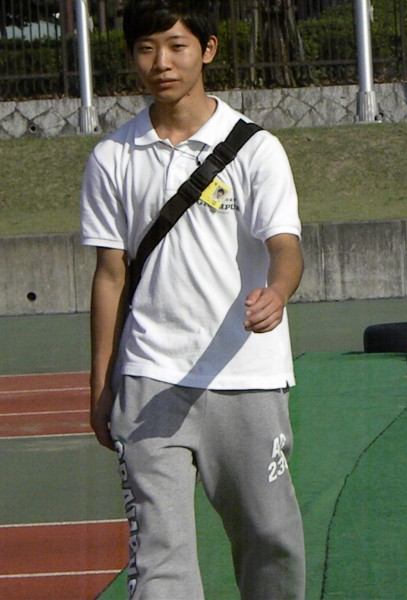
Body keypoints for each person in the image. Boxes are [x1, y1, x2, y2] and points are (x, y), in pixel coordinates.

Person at [80, 1, 306, 598]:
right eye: (146, 48)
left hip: (247, 376)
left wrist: (278, 291)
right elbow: (110, 276)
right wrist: (102, 383)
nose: (161, 62)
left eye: (177, 46)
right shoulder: (112, 157)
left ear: (207, 50)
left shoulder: (256, 149)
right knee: (160, 558)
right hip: (150, 378)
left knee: (270, 540)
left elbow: (285, 246)